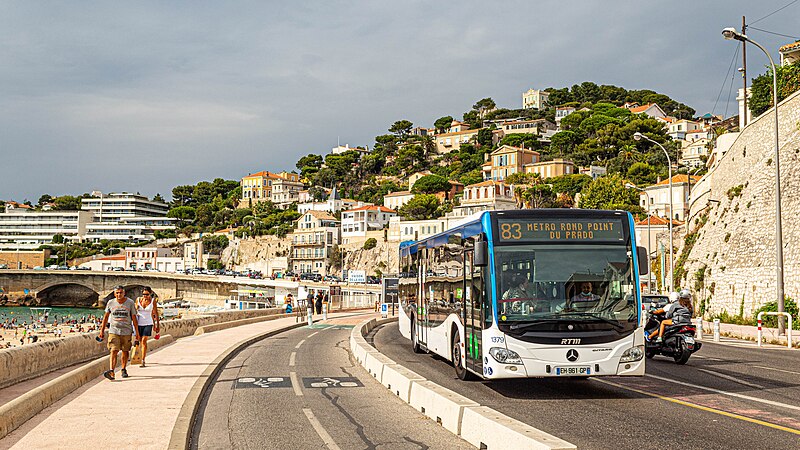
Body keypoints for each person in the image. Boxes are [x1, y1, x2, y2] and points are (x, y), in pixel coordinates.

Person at [99, 286, 140, 380]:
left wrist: (137, 332)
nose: (119, 295)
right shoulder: (110, 303)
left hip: (126, 331)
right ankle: (112, 371)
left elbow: (134, 318)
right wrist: (101, 330)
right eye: (117, 293)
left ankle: (123, 368)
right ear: (114, 294)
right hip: (114, 330)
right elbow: (105, 317)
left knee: (125, 351)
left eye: (120, 292)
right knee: (113, 350)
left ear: (124, 293)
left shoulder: (130, 303)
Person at [135, 287, 160, 368]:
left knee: (144, 341)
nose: (145, 296)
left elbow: (155, 313)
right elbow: (134, 311)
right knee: (138, 341)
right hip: (138, 323)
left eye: (147, 294)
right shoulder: (138, 300)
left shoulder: (153, 301)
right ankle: (137, 357)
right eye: (144, 294)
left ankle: (143, 360)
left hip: (148, 323)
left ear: (150, 293)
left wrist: (157, 325)